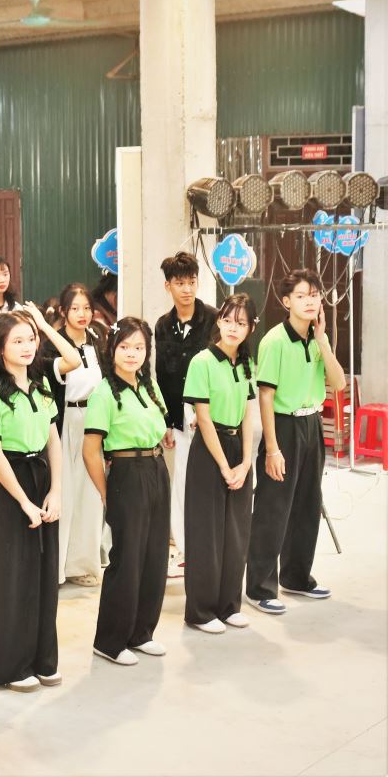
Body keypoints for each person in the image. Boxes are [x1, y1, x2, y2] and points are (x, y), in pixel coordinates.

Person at [0, 310, 77, 691]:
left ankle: (42, 659)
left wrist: (56, 491)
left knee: (45, 576)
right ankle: (10, 667)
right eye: (17, 341)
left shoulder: (42, 384)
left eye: (30, 339)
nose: (27, 347)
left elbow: (53, 439)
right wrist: (24, 502)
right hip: (8, 489)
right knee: (11, 579)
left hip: (42, 479)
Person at [247, 269, 345, 613]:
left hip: (312, 424)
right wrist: (272, 448)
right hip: (284, 427)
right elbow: (265, 397)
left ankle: (297, 577)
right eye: (301, 296)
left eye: (314, 295)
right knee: (273, 509)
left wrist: (322, 341)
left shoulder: (318, 338)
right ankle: (259, 588)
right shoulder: (274, 341)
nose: (309, 301)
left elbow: (339, 383)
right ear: (286, 301)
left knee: (307, 505)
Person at [83, 317, 174, 666]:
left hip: (156, 468)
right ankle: (110, 641)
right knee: (128, 559)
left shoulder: (149, 386)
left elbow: (160, 427)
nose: (132, 354)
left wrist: (163, 437)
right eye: (125, 347)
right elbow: (90, 451)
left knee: (154, 556)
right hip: (126, 474)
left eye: (139, 347)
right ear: (112, 349)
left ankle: (141, 633)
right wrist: (106, 492)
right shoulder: (104, 392)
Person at [182, 293, 258, 633]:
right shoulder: (202, 362)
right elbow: (203, 417)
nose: (232, 327)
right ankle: (201, 612)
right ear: (218, 321)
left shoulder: (247, 364)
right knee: (206, 532)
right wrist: (225, 466)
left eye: (240, 323)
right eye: (227, 320)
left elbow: (249, 414)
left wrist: (246, 461)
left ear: (251, 328)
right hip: (209, 451)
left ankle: (229, 606)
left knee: (237, 532)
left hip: (239, 448)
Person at [153, 252, 217, 573]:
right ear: (168, 286)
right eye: (180, 283)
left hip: (209, 414)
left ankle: (210, 546)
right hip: (179, 416)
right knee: (181, 483)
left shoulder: (214, 319)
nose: (187, 289)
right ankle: (184, 548)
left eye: (192, 282)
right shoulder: (163, 326)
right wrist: (166, 420)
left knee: (210, 483)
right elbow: (162, 374)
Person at [41, 284, 109, 586]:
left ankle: (82, 565)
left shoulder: (98, 340)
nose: (82, 314)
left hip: (94, 421)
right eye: (75, 308)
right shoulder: (53, 345)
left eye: (87, 308)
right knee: (65, 494)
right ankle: (57, 568)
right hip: (66, 420)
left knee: (91, 495)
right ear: (63, 311)